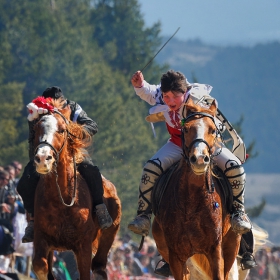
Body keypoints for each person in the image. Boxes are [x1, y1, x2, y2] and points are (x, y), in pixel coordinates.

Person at [127, 70, 254, 273]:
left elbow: (212, 122)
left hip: (204, 146)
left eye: (174, 97)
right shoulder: (164, 95)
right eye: (166, 96)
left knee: (235, 168)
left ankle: (238, 213)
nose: (169, 101)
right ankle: (143, 215)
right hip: (178, 145)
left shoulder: (199, 98)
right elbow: (149, 93)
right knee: (150, 168)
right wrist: (139, 85)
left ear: (184, 92)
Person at [17, 86, 113, 243]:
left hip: (71, 154)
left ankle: (100, 207)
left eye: (56, 104)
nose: (53, 107)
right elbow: (31, 140)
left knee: (92, 171)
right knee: (23, 184)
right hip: (44, 155)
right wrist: (35, 159)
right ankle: (34, 220)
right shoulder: (37, 114)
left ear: (61, 102)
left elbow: (92, 126)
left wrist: (73, 130)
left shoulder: (72, 107)